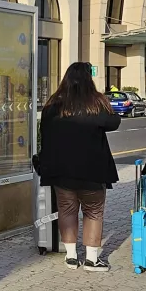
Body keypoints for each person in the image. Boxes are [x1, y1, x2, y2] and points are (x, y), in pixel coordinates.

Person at [40, 62, 120, 271]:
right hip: (92, 171)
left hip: (61, 170)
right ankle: (92, 259)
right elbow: (114, 122)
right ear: (88, 80)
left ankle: (71, 256)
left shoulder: (53, 105)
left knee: (67, 210)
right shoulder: (96, 103)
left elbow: (45, 136)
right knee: (93, 211)